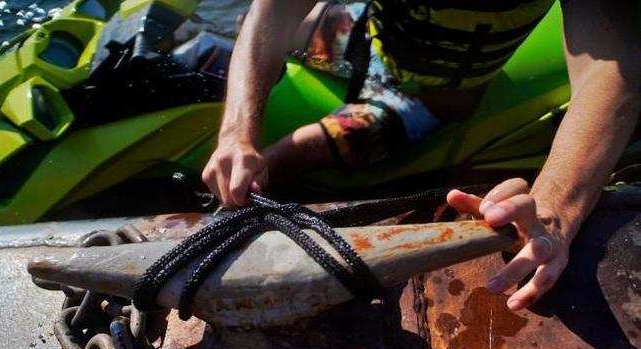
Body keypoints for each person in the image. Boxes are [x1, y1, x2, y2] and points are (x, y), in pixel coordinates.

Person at [202, 0, 640, 312]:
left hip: (425, 98)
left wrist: (554, 212)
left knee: (277, 163)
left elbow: (612, 64)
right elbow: (275, 10)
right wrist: (237, 134)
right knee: (236, 31)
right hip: (365, 31)